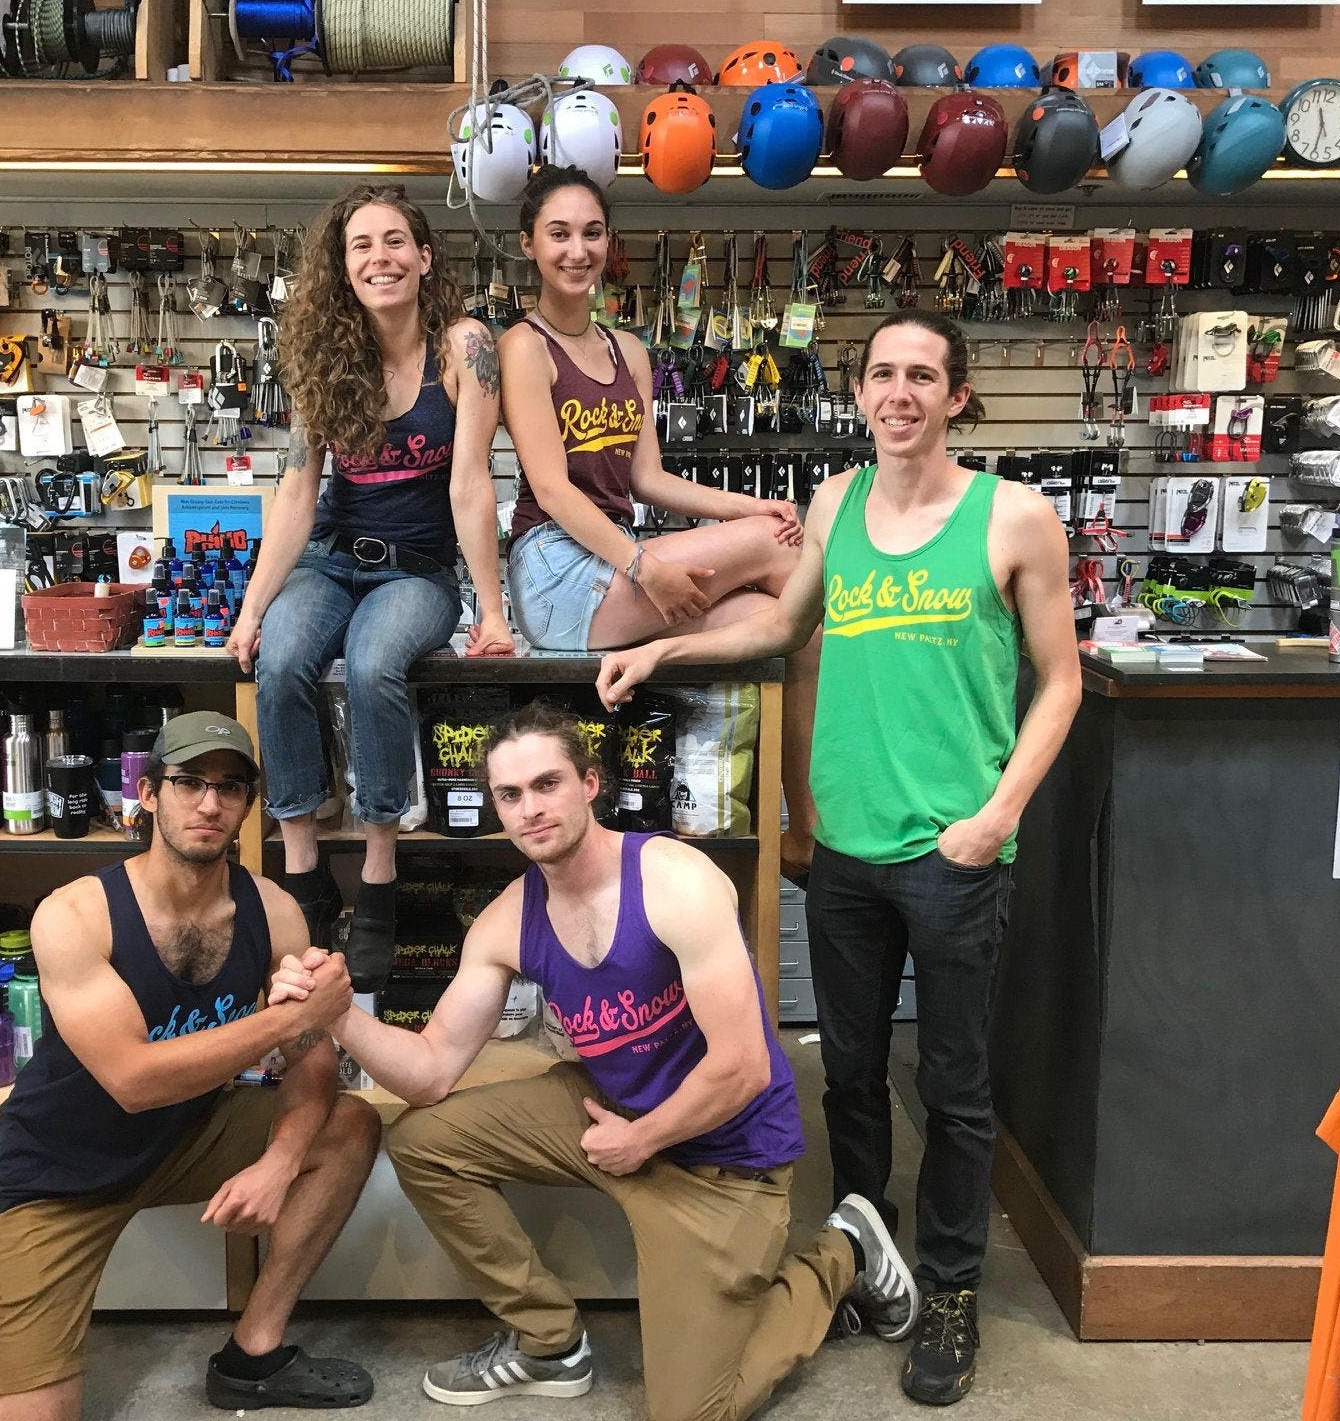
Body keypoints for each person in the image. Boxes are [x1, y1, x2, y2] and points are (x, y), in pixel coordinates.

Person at [597, 310, 1082, 1407]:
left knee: (953, 1091)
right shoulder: (836, 502)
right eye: (881, 374)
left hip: (954, 852)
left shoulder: (1014, 516)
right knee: (851, 1078)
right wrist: (666, 645)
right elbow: (782, 629)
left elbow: (1060, 680)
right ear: (860, 393)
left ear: (956, 396)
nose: (898, 393)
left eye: (922, 375)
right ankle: (872, 1251)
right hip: (845, 853)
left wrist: (997, 815)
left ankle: (953, 1289)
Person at [268, 700, 920, 1421]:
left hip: (724, 1161)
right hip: (609, 1115)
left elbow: (743, 1069)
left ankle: (842, 1255)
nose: (530, 810)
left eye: (547, 785)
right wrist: (336, 1018)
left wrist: (638, 1141)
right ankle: (548, 1342)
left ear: (589, 783)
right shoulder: (510, 918)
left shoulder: (676, 880)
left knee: (691, 1412)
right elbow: (430, 1070)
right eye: (510, 795)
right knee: (425, 1139)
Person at [0, 711, 379, 1417]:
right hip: (62, 1171)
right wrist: (289, 1018)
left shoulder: (274, 911)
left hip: (187, 1136)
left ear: (247, 806)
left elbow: (311, 1058)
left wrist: (282, 1160)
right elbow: (134, 1080)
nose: (209, 803)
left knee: (348, 1124)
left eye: (229, 788)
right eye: (189, 782)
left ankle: (253, 1354)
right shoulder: (74, 915)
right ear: (149, 794)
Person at [227, 183, 512, 993]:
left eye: (396, 242)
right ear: (342, 266)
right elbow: (294, 493)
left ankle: (380, 877)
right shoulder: (323, 354)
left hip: (417, 570)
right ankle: (307, 874)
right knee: (279, 661)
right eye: (361, 245)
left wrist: (492, 612)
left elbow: (469, 487)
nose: (380, 257)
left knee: (374, 661)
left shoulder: (465, 348)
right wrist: (251, 611)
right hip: (329, 559)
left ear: (425, 258)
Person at [499, 165, 820, 883]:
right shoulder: (524, 345)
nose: (577, 250)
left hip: (612, 562)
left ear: (608, 242)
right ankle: (819, 810)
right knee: (783, 556)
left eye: (591, 233)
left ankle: (797, 826)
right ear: (529, 245)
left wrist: (752, 505)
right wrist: (649, 568)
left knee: (785, 616)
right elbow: (551, 489)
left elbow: (647, 480)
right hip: (557, 570)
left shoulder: (627, 351)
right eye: (558, 234)